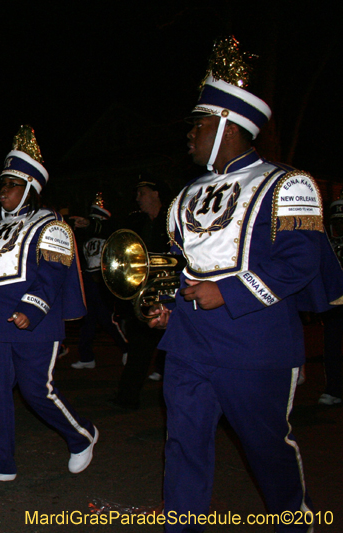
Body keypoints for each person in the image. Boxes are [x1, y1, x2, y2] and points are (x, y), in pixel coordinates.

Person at [150, 37, 343, 532]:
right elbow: (185, 266)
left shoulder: (288, 184)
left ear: (226, 127)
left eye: (198, 124)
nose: (189, 135)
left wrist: (228, 292)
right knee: (183, 444)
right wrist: (171, 307)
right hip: (189, 344)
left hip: (256, 344)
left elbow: (301, 263)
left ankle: (293, 519)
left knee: (265, 449)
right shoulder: (185, 195)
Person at [0, 125, 97, 484]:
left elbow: (53, 274)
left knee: (37, 390)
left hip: (34, 321)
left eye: (11, 185)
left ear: (30, 189)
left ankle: (81, 434)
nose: (3, 192)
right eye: (2, 185)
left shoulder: (51, 225)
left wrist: (31, 309)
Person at [110, 176, 171, 408]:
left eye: (142, 193)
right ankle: (128, 397)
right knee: (139, 344)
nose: (138, 198)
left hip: (171, 294)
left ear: (156, 194)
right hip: (147, 293)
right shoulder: (139, 222)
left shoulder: (172, 219)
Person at [69, 192, 128, 369]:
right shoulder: (86, 238)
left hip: (102, 279)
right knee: (87, 319)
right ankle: (86, 357)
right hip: (88, 278)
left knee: (106, 317)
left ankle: (126, 348)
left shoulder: (110, 231)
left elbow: (105, 229)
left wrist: (91, 224)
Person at [319, 195, 343, 405]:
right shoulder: (329, 245)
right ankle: (334, 389)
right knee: (333, 347)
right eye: (338, 224)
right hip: (335, 305)